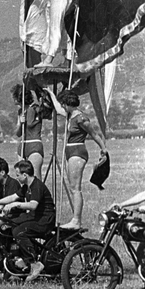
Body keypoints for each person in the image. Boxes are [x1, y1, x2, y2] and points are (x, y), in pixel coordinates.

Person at [49, 88, 108, 229]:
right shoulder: (70, 115)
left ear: (68, 103)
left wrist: (103, 148)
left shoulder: (81, 118)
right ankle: (75, 219)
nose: (62, 106)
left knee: (76, 188)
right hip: (70, 151)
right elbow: (57, 109)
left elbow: (94, 134)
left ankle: (76, 221)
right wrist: (50, 93)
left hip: (77, 151)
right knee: (72, 187)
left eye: (64, 103)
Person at [0, 159, 56, 281]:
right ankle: (12, 261)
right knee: (8, 225)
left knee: (19, 232)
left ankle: (34, 263)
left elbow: (33, 205)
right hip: (34, 216)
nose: (16, 178)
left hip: (44, 220)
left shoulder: (37, 186)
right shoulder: (26, 186)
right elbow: (13, 197)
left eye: (18, 175)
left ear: (25, 175)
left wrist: (15, 205)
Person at [10, 83, 50, 180]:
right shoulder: (20, 111)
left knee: (35, 178)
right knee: (22, 179)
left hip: (34, 145)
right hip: (23, 146)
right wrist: (20, 123)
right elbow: (18, 133)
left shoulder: (35, 108)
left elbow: (32, 124)